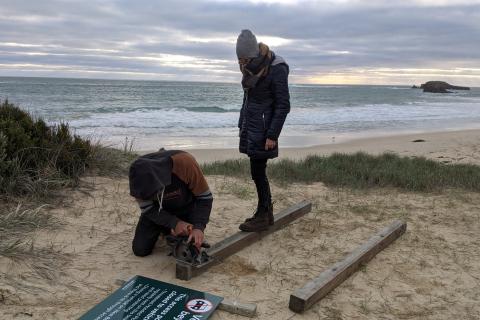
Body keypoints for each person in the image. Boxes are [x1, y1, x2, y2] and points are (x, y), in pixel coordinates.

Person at [236, 29, 290, 232]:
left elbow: (283, 105)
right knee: (256, 171)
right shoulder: (250, 68)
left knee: (258, 171)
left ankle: (264, 214)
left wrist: (272, 135)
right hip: (252, 127)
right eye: (239, 59)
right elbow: (249, 100)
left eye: (244, 59)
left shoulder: (276, 68)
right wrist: (242, 124)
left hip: (265, 130)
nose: (241, 64)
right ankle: (264, 213)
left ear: (253, 54)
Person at [129, 149, 213, 257]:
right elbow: (147, 208)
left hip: (186, 206)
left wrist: (198, 227)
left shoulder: (185, 163)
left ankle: (176, 229)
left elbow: (205, 198)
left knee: (191, 245)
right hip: (158, 210)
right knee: (140, 249)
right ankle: (167, 230)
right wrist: (174, 223)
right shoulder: (137, 175)